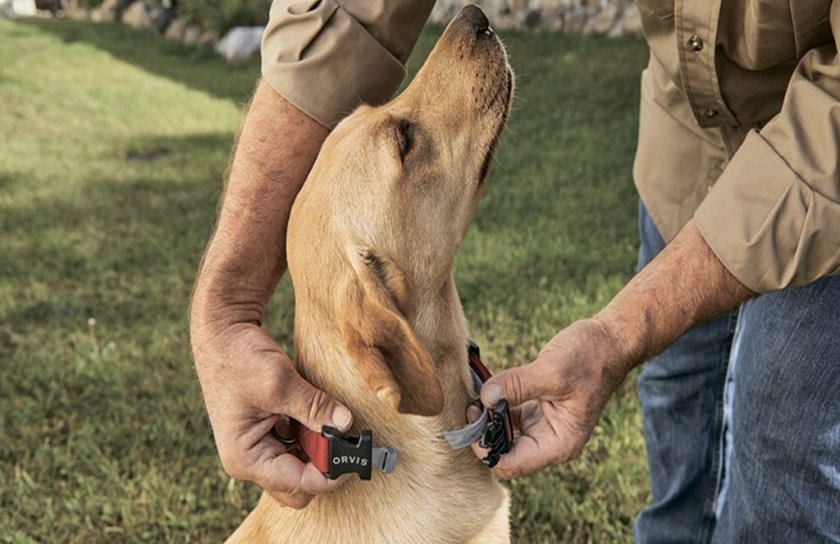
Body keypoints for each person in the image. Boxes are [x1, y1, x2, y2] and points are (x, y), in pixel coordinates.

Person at [189, 1, 840, 540]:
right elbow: (349, 11)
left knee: (782, 446)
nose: (463, 25)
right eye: (405, 140)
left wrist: (617, 337)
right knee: (678, 402)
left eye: (401, 137)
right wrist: (226, 304)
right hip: (692, 134)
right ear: (385, 335)